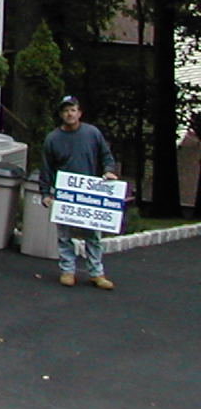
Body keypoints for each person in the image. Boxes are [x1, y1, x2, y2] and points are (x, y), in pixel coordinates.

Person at [40, 95, 119, 289]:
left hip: (91, 193)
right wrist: (45, 193)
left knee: (94, 236)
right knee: (64, 235)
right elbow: (46, 168)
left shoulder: (92, 133)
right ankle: (68, 271)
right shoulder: (52, 139)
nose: (70, 113)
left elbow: (106, 156)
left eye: (73, 110)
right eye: (66, 110)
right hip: (65, 194)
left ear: (79, 113)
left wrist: (109, 171)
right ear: (61, 114)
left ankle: (96, 273)